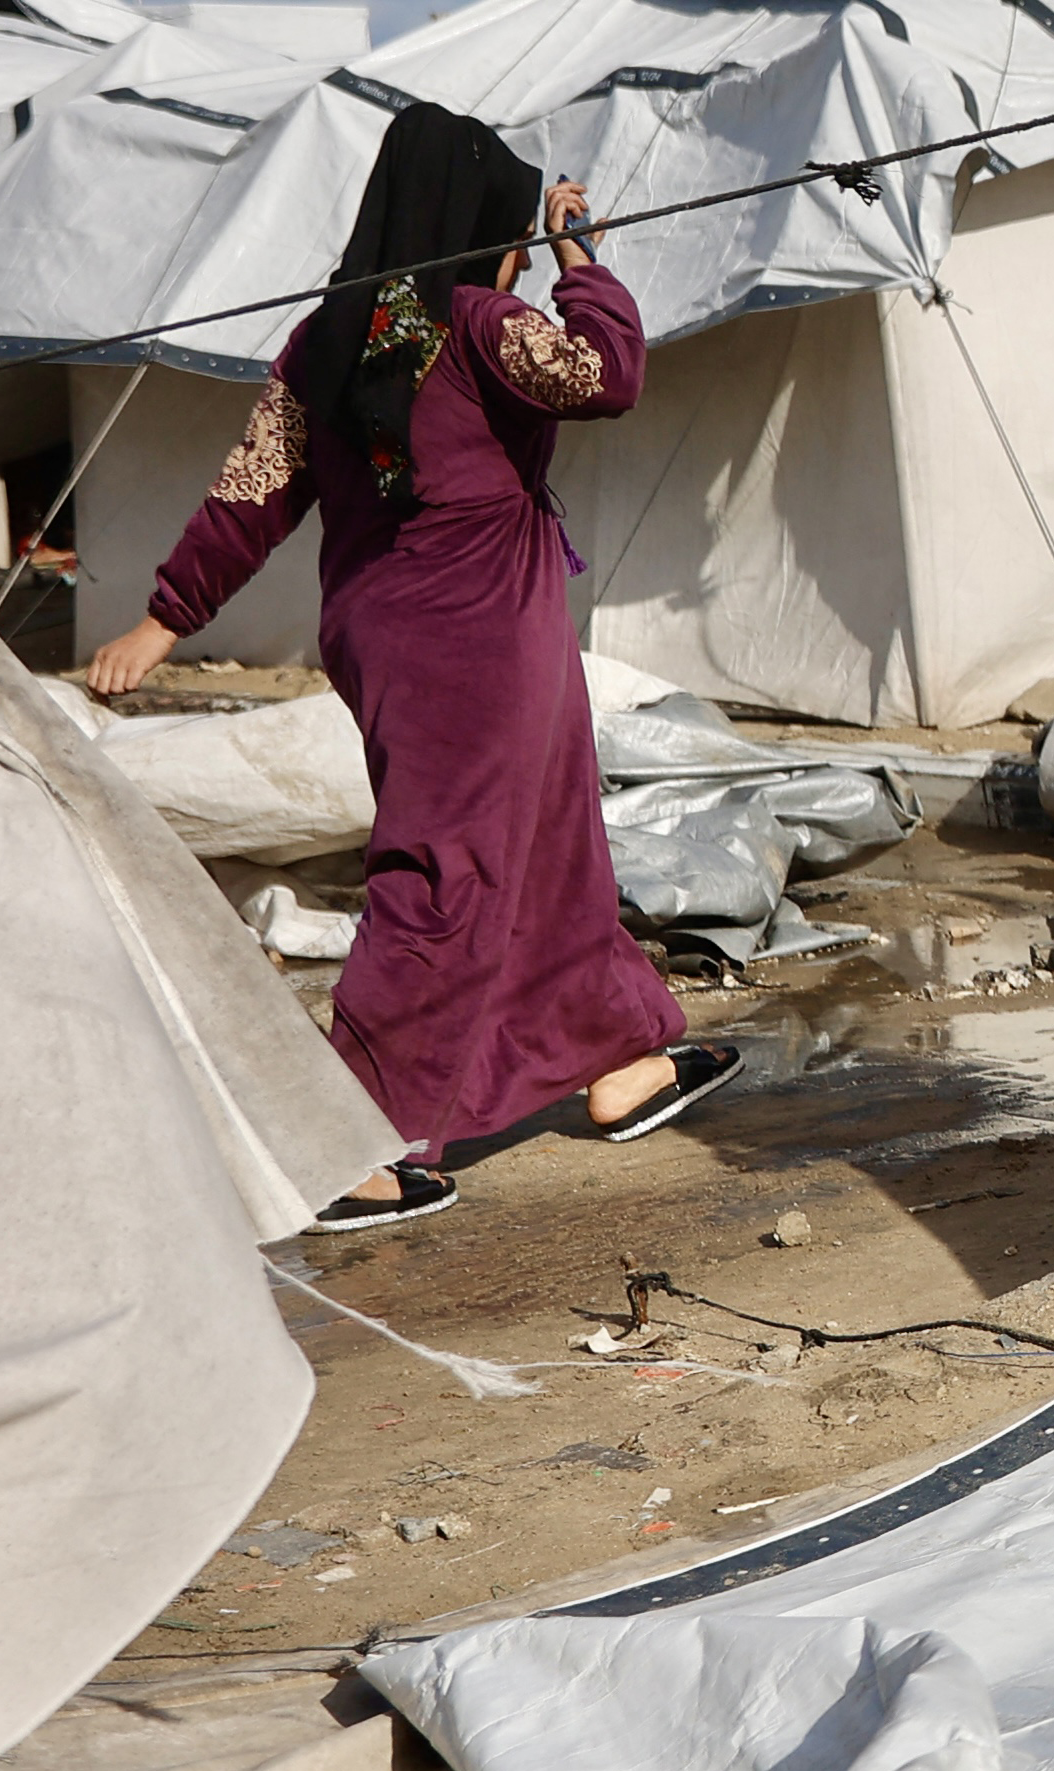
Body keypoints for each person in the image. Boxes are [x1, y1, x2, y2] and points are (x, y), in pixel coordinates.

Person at [82, 105, 736, 1228]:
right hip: (478, 637)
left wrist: (166, 619)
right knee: (446, 873)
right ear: (475, 225)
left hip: (398, 632)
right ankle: (351, 1138)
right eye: (514, 228)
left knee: (548, 839)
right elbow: (609, 372)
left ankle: (621, 1056)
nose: (522, 248)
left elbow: (255, 491)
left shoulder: (326, 338)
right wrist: (586, 259)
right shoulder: (483, 323)